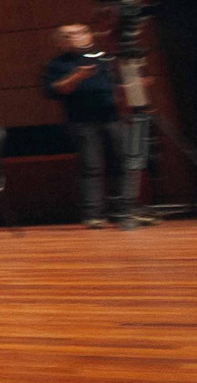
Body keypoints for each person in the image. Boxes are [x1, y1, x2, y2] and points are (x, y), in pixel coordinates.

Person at [44, 21, 135, 228]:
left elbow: (120, 85)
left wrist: (133, 86)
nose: (75, 37)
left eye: (80, 32)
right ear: (59, 42)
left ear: (89, 35)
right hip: (82, 122)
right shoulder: (56, 64)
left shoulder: (105, 59)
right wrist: (78, 76)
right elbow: (54, 91)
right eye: (67, 35)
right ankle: (93, 214)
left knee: (121, 163)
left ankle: (124, 211)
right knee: (91, 167)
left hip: (112, 118)